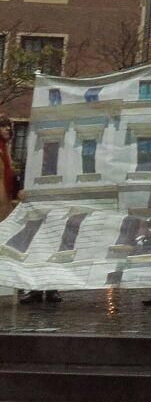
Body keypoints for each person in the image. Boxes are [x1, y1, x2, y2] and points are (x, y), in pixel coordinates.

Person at [2, 115, 61, 305]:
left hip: (50, 204)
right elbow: (16, 175)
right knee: (34, 245)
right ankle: (36, 288)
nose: (9, 131)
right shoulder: (28, 155)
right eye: (6, 127)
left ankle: (50, 287)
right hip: (31, 205)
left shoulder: (61, 155)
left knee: (49, 243)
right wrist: (19, 191)